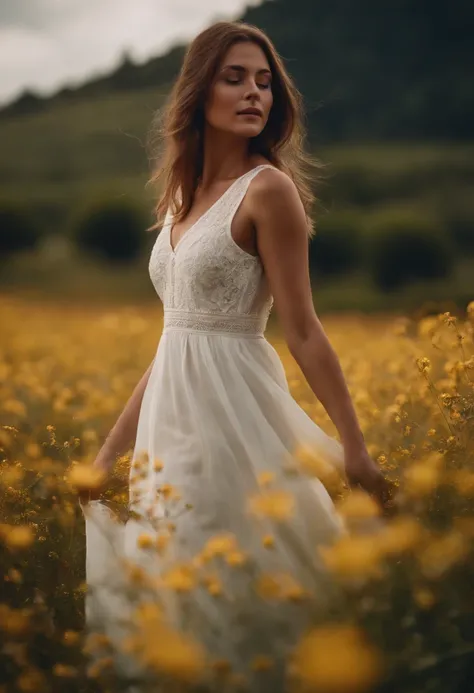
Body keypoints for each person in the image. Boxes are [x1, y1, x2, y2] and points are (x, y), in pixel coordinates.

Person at [80, 20, 393, 692]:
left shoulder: (268, 191)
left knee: (239, 589)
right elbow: (173, 341)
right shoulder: (176, 204)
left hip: (234, 420)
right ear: (199, 91)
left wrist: (354, 447)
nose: (255, 93)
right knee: (175, 590)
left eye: (264, 82)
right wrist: (105, 456)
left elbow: (304, 330)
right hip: (173, 424)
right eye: (235, 77)